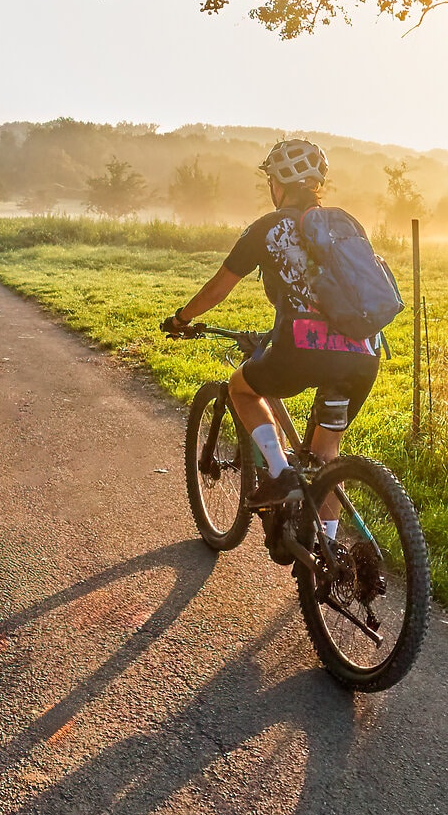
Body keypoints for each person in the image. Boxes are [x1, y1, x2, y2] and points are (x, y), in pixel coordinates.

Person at [160, 138, 381, 548]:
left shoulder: (267, 227)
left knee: (240, 387)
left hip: (301, 347)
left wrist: (181, 319)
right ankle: (327, 551)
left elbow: (218, 288)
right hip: (363, 354)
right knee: (326, 459)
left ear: (278, 183)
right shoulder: (346, 224)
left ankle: (280, 473)